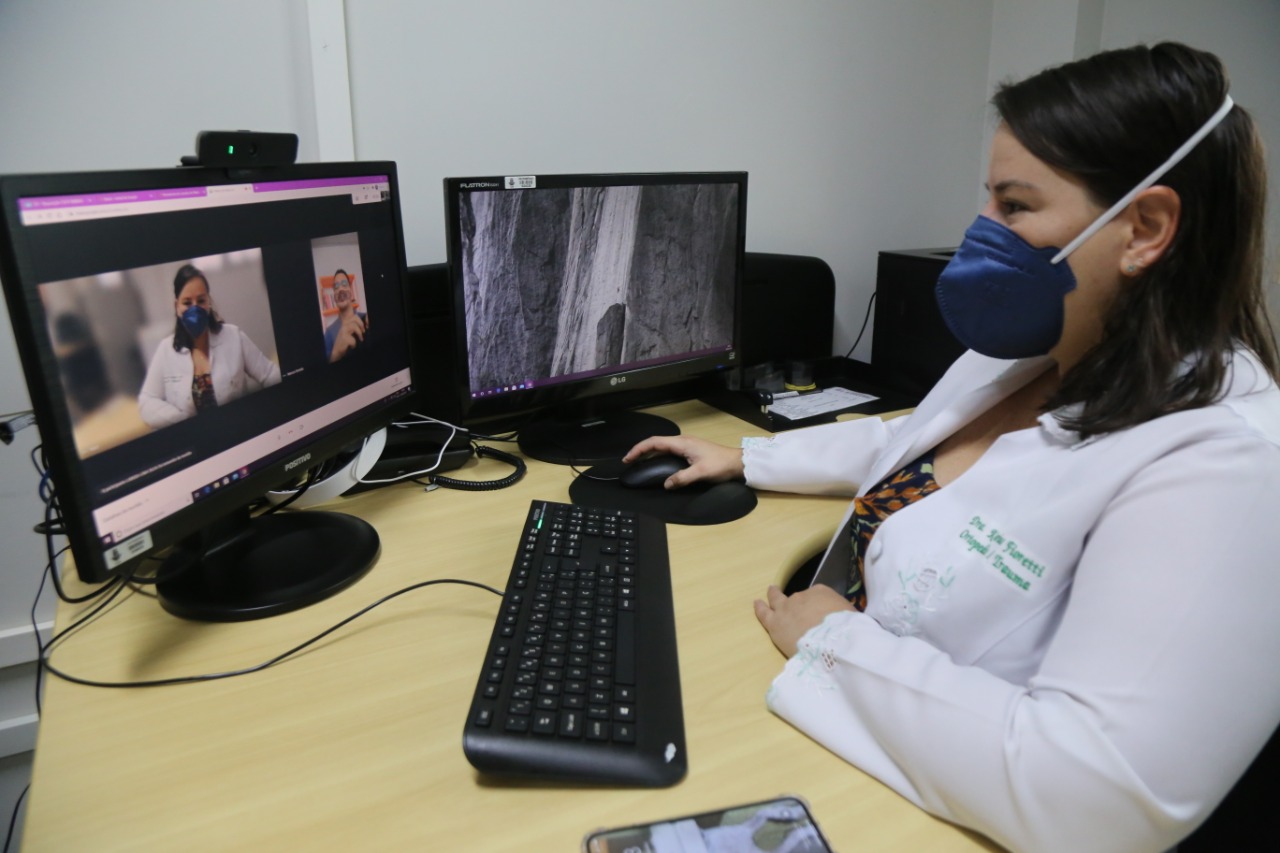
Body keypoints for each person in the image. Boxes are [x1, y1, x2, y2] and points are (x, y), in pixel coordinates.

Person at [626, 42, 1280, 852]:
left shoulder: (1224, 465)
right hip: (850, 726)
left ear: (1143, 227)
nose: (982, 234)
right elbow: (920, 444)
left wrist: (834, 641)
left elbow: (1096, 799)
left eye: (1015, 207)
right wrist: (748, 458)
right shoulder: (1042, 351)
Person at [138, 264, 282, 429]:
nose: (195, 308)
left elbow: (270, 374)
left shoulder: (233, 336)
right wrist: (181, 420)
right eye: (187, 302)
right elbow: (146, 402)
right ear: (176, 307)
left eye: (200, 301)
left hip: (240, 431)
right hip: (196, 443)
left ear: (209, 302)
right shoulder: (166, 350)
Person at [324, 268, 368, 362]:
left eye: (344, 284)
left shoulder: (366, 319)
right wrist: (336, 354)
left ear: (351, 291)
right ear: (334, 296)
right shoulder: (328, 333)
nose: (340, 289)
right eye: (336, 287)